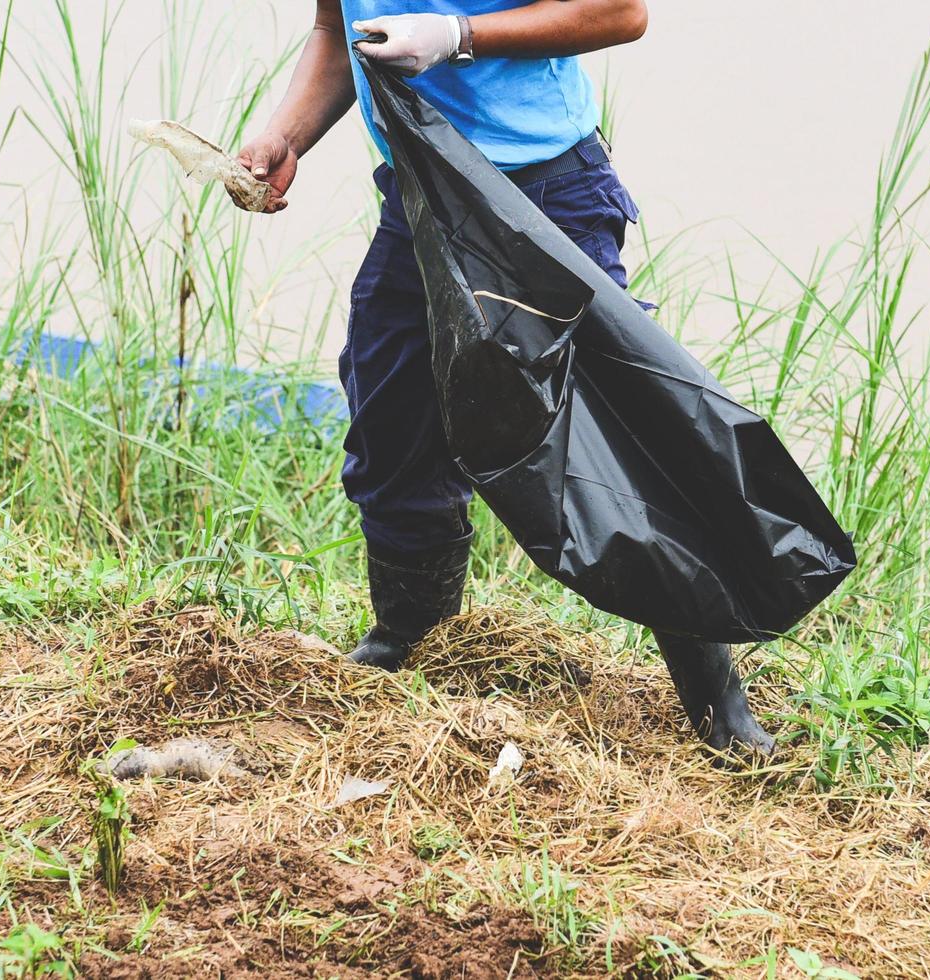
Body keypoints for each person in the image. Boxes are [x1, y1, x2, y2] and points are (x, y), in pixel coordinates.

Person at [234, 0, 776, 759]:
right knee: (391, 427)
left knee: (616, 444)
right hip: (419, 196)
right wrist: (282, 136)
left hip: (548, 196)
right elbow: (335, 31)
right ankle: (409, 645)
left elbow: (620, 12)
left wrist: (458, 37)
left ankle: (717, 705)